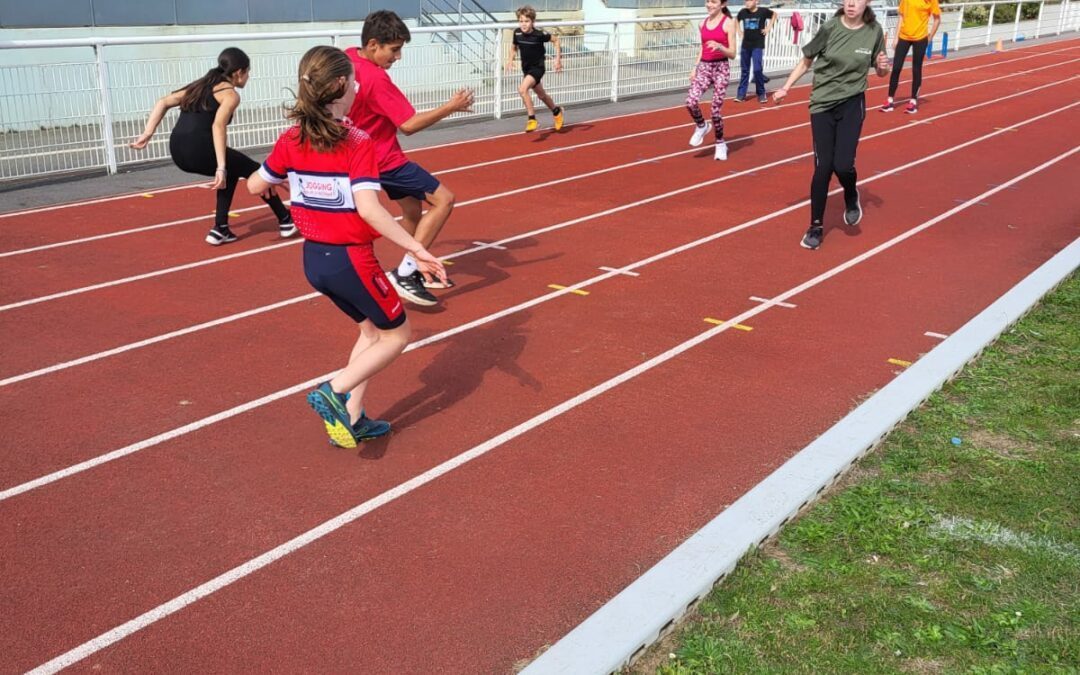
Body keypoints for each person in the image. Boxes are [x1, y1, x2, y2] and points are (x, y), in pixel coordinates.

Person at [246, 45, 447, 448]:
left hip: (315, 261)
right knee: (397, 336)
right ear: (341, 85)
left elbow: (254, 185)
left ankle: (352, 418)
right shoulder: (357, 141)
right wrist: (419, 250)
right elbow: (370, 211)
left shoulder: (291, 137)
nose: (358, 85)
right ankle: (333, 391)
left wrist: (291, 179)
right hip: (352, 259)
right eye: (353, 79)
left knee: (371, 332)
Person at [345, 10, 474, 307]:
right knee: (444, 199)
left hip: (359, 156)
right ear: (374, 44)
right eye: (394, 50)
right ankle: (406, 273)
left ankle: (413, 266)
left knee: (412, 210)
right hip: (384, 159)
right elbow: (409, 125)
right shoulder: (377, 79)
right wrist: (451, 107)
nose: (398, 57)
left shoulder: (348, 59)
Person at [130, 47, 295, 246]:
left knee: (233, 171)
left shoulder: (200, 85)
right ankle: (285, 220)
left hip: (177, 151)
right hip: (198, 151)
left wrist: (148, 133)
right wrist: (220, 167)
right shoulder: (230, 95)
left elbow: (163, 101)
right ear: (238, 73)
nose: (248, 77)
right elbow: (218, 127)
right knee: (257, 173)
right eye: (248, 72)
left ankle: (221, 228)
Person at [773, 0, 889, 250]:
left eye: (857, 0)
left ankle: (850, 194)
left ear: (866, 3)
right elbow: (806, 60)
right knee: (823, 166)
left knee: (843, 165)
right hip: (823, 104)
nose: (850, 3)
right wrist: (786, 87)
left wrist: (882, 68)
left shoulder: (874, 31)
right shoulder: (830, 28)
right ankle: (815, 226)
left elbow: (881, 70)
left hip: (851, 103)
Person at [686, 0, 737, 161]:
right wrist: (695, 67)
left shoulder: (728, 23)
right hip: (704, 68)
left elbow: (733, 53)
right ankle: (702, 126)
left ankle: (720, 143)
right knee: (690, 101)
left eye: (713, 1)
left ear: (722, 4)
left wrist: (720, 46)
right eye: (707, 1)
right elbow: (702, 47)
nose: (709, 4)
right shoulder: (702, 24)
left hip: (721, 68)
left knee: (715, 111)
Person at [505, 5, 565, 133]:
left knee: (522, 89)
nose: (523, 24)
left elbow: (556, 41)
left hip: (538, 68)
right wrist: (510, 60)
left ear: (533, 22)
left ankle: (532, 119)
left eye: (526, 21)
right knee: (542, 95)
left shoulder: (539, 34)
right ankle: (556, 111)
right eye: (521, 21)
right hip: (526, 69)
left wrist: (558, 60)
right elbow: (514, 47)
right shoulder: (517, 33)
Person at [881, 0, 941, 113]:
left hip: (920, 38)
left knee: (916, 69)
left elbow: (937, 19)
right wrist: (895, 38)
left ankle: (913, 101)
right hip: (904, 37)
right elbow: (901, 16)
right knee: (896, 68)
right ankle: (890, 100)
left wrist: (930, 37)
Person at [735, 0, 777, 103]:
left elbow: (774, 14)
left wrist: (768, 27)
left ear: (756, 1)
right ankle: (741, 95)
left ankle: (761, 93)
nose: (747, 2)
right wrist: (739, 32)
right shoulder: (743, 12)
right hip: (745, 45)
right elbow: (736, 20)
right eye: (745, 0)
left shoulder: (763, 11)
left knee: (757, 69)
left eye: (749, 0)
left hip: (757, 45)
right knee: (745, 70)